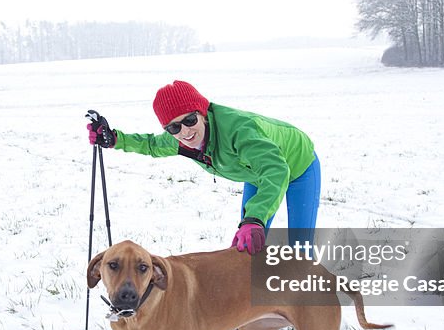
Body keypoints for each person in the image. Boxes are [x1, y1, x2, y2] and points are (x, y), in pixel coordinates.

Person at [87, 80, 320, 255]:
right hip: (256, 173)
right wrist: (114, 139)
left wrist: (255, 218)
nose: (185, 132)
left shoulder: (239, 131)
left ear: (203, 113)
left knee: (299, 248)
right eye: (174, 128)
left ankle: (307, 312)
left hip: (298, 166)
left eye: (190, 120)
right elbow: (151, 144)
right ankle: (253, 310)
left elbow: (276, 170)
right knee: (245, 246)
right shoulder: (178, 139)